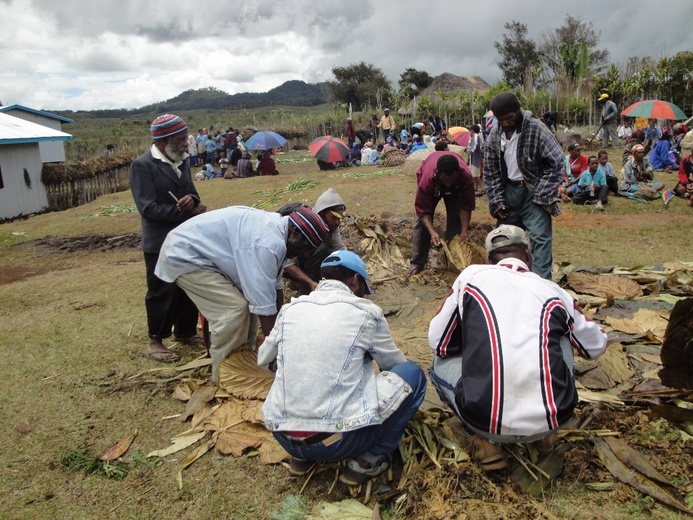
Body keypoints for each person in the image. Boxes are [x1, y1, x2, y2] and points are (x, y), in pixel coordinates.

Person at [429, 225, 607, 470]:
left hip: (485, 419)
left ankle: (485, 442)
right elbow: (595, 347)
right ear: (528, 255)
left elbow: (438, 343)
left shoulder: (471, 277)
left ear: (490, 260)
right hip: (553, 418)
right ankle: (544, 437)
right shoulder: (553, 291)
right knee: (565, 333)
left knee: (437, 365)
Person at [259, 250, 426, 484]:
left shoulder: (290, 309)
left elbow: (264, 359)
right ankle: (367, 460)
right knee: (413, 374)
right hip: (339, 442)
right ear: (355, 280)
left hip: (283, 435)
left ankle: (302, 457)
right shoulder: (367, 312)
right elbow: (394, 366)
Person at [155, 206, 329, 382]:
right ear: (294, 231)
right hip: (186, 254)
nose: (305, 253)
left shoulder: (279, 236)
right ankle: (225, 378)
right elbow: (264, 307)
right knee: (233, 311)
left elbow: (274, 289)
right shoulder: (268, 243)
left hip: (206, 257)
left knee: (247, 305)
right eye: (305, 246)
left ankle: (246, 358)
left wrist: (279, 333)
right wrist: (277, 348)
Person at [130, 114, 207, 363]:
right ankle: (155, 340)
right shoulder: (143, 165)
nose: (187, 143)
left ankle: (184, 331)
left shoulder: (181, 161)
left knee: (187, 287)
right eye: (182, 139)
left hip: (185, 238)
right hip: (159, 241)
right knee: (161, 290)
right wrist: (183, 210)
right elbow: (147, 208)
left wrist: (192, 200)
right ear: (165, 141)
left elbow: (192, 194)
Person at [483, 92, 564, 281]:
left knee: (540, 240)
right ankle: (505, 281)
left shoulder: (536, 129)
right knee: (503, 241)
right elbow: (491, 171)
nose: (505, 123)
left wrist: (542, 193)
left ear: (517, 110)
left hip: (533, 192)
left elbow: (557, 161)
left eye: (509, 118)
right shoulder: (495, 135)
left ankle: (541, 286)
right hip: (509, 191)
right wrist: (497, 201)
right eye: (500, 120)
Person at [407, 152, 475, 276]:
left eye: (451, 181)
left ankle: (450, 257)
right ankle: (417, 263)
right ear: (438, 174)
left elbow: (466, 207)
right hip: (433, 187)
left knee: (456, 220)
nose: (448, 184)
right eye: (445, 181)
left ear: (457, 173)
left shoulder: (466, 176)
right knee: (422, 225)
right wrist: (432, 232)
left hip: (456, 190)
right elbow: (423, 210)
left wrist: (464, 230)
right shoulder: (427, 179)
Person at [280, 189, 347, 295]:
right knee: (322, 250)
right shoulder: (304, 225)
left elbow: (339, 249)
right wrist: (310, 283)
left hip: (305, 262)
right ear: (322, 212)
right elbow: (286, 262)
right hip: (286, 263)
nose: (337, 222)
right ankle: (305, 293)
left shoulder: (332, 225)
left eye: (339, 218)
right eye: (334, 217)